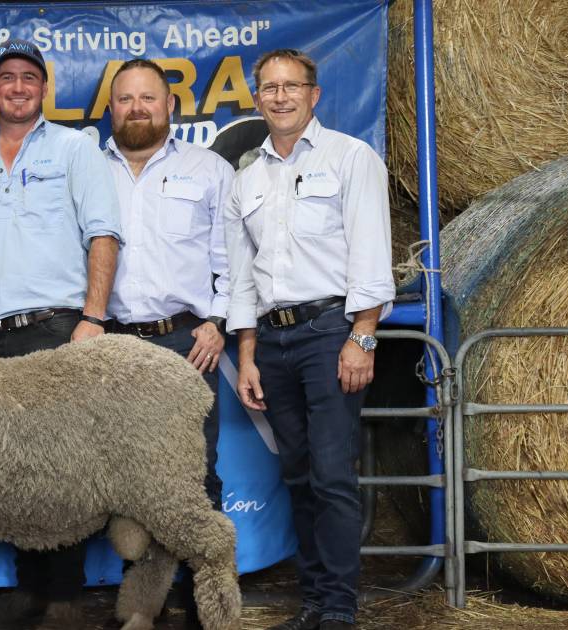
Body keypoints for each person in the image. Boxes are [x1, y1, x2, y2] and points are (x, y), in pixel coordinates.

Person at [0, 39, 121, 630]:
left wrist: (92, 319)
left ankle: (64, 599)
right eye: (6, 78)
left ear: (45, 89)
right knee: (10, 472)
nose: (17, 87)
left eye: (28, 78)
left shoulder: (75, 149)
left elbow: (103, 234)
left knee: (61, 470)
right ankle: (29, 593)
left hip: (60, 329)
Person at [226, 49, 394, 630]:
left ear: (313, 94)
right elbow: (241, 278)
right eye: (268, 88)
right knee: (296, 476)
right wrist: (246, 355)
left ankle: (341, 607)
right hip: (272, 343)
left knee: (331, 475)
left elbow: (371, 252)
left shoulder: (352, 158)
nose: (279, 97)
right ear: (257, 98)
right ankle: (316, 602)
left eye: (291, 86)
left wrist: (363, 336)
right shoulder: (245, 179)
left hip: (332, 335)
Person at [103, 58, 234, 627]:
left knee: (195, 473)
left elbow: (235, 256)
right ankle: (142, 604)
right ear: (111, 109)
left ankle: (209, 601)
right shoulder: (87, 168)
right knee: (120, 479)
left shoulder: (207, 169)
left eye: (148, 98)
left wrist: (219, 320)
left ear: (170, 106)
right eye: (126, 99)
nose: (138, 108)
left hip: (185, 342)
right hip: (110, 349)